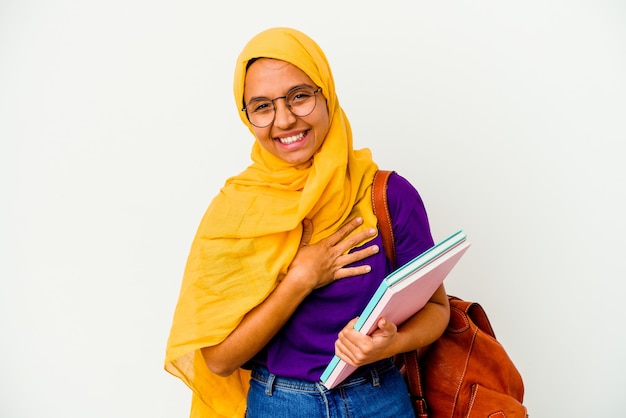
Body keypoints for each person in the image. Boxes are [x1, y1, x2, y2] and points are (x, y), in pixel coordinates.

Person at [165, 27, 450, 418]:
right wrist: (301, 278)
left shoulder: (386, 195)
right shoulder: (234, 214)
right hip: (278, 404)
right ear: (246, 115)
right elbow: (217, 360)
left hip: (379, 399)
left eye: (299, 96)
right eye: (262, 106)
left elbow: (438, 310)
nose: (284, 120)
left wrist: (391, 344)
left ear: (326, 94)